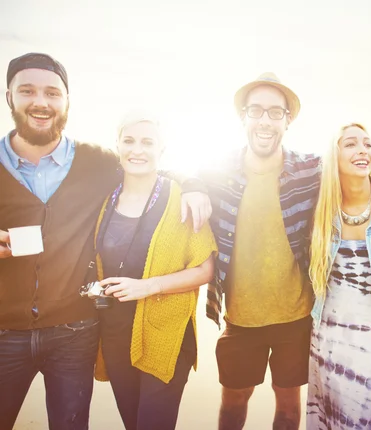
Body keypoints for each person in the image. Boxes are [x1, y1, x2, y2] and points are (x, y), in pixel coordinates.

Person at [0, 53, 208, 430]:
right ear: (9, 97)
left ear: (67, 102)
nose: (41, 102)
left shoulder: (95, 162)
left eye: (52, 93)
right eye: (27, 91)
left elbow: (148, 165)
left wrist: (193, 184)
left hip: (73, 333)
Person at [199, 72, 320, 430]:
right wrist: (191, 185)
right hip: (240, 319)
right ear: (244, 118)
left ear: (288, 119)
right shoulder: (220, 172)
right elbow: (175, 171)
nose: (265, 120)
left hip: (295, 317)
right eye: (256, 111)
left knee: (287, 408)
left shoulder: (310, 170)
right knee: (233, 406)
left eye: (275, 112)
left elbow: (358, 174)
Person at [84, 113, 217, 430]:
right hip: (115, 334)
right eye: (128, 141)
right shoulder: (105, 199)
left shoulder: (182, 198)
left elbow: (205, 268)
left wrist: (150, 286)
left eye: (147, 142)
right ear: (117, 146)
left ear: (162, 150)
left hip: (166, 335)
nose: (137, 150)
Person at [306, 123, 371, 429]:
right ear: (334, 156)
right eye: (350, 144)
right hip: (326, 338)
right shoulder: (322, 207)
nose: (362, 150)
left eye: (367, 144)